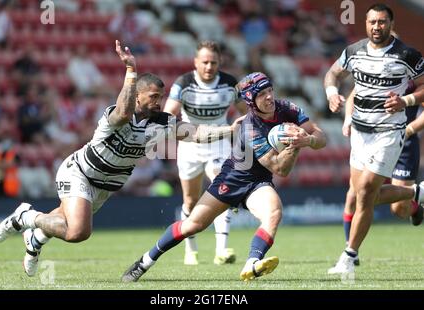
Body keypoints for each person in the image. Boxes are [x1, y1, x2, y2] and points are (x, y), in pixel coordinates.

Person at [0, 40, 241, 277]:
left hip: (106, 185)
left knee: (61, 218)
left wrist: (228, 131)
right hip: (80, 172)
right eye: (153, 97)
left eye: (161, 96)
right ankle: (25, 216)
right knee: (77, 232)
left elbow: (196, 133)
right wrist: (131, 70)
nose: (159, 102)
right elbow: (123, 110)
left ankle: (35, 238)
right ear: (137, 97)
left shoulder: (163, 122)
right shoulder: (116, 114)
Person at [121, 72, 326, 282]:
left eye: (270, 90)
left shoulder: (287, 108)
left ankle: (252, 263)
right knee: (192, 225)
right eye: (262, 94)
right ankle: (145, 261)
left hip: (257, 183)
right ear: (250, 101)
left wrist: (308, 139)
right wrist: (294, 145)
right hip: (231, 179)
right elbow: (279, 168)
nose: (269, 97)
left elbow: (320, 136)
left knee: (274, 213)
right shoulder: (250, 127)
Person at [325, 3, 424, 275]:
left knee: (367, 190)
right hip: (360, 133)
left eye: (382, 22)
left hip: (390, 133)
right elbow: (333, 73)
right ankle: (418, 193)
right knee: (361, 196)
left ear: (390, 24)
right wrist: (332, 92)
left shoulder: (407, 55)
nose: (376, 27)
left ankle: (348, 257)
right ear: (365, 24)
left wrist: (406, 100)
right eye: (372, 22)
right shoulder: (354, 52)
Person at [163, 40, 246, 265]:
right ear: (196, 62)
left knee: (222, 191)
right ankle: (190, 250)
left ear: (220, 63)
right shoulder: (184, 83)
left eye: (214, 62)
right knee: (190, 201)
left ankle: (222, 250)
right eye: (205, 62)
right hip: (190, 145)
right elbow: (169, 112)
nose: (209, 67)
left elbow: (245, 112)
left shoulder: (230, 84)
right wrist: (169, 122)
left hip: (219, 142)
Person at [342, 84, 424, 260]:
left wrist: (409, 130)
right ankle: (350, 251)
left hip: (404, 142)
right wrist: (348, 118)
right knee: (356, 194)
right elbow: (353, 95)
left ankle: (415, 202)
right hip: (370, 140)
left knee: (400, 210)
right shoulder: (377, 69)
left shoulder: (413, 71)